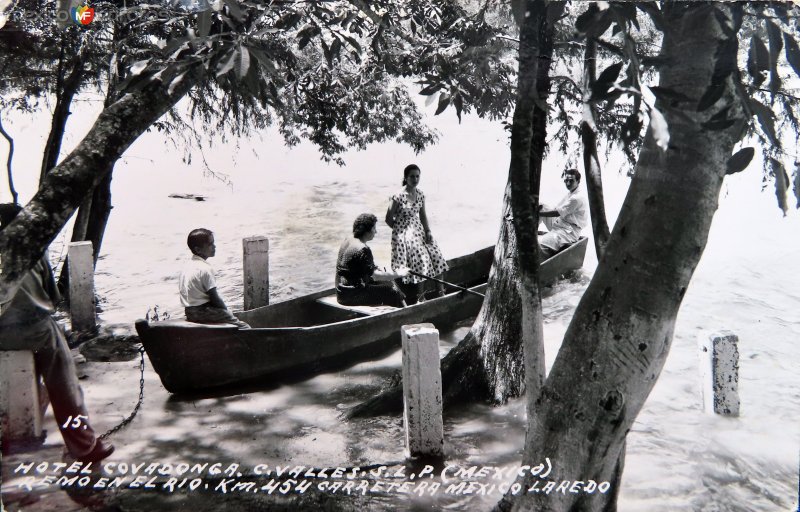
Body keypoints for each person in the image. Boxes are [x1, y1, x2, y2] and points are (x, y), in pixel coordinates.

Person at [0, 203, 114, 462]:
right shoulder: (31, 249)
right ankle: (84, 445)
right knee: (65, 383)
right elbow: (52, 295)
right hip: (31, 329)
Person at [385, 164, 448, 304]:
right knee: (421, 256)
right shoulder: (398, 196)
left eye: (417, 176)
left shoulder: (420, 194)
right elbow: (388, 219)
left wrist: (428, 231)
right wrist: (400, 233)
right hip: (402, 233)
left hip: (418, 230)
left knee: (435, 253)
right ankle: (420, 297)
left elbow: (423, 215)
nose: (415, 179)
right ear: (406, 178)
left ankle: (441, 292)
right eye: (412, 176)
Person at [178, 228, 250, 328]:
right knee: (244, 326)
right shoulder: (205, 268)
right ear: (198, 250)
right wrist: (226, 312)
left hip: (189, 312)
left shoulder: (188, 266)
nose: (214, 247)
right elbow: (215, 298)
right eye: (210, 244)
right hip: (203, 311)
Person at [336, 213, 408, 308]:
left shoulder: (348, 240)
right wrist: (400, 274)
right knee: (392, 291)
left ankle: (402, 307)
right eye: (374, 229)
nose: (376, 232)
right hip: (352, 296)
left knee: (388, 281)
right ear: (366, 231)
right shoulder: (363, 249)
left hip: (341, 293)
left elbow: (358, 267)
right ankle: (404, 314)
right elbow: (376, 276)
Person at [538, 168, 589, 259]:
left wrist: (539, 214)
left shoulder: (576, 198)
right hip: (560, 223)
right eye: (566, 181)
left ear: (578, 181)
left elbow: (557, 212)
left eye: (571, 181)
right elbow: (557, 208)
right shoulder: (570, 193)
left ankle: (545, 263)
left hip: (568, 231)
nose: (568, 183)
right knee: (541, 206)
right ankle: (531, 230)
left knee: (540, 243)